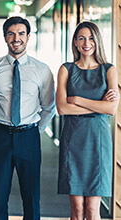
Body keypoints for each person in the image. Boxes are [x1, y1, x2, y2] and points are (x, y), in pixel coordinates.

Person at [0, 16, 55, 220]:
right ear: (5, 37)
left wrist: (33, 131)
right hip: (0, 137)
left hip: (29, 136)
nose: (16, 38)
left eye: (21, 33)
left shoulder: (42, 70)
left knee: (31, 197)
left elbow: (49, 107)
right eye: (11, 33)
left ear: (29, 37)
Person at [56, 21, 119, 219]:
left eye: (91, 38)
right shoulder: (66, 69)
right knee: (77, 209)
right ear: (74, 42)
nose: (86, 42)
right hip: (73, 141)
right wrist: (96, 104)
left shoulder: (109, 70)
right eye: (81, 38)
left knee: (93, 209)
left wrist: (78, 100)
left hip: (98, 143)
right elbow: (62, 108)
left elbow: (111, 108)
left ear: (97, 41)